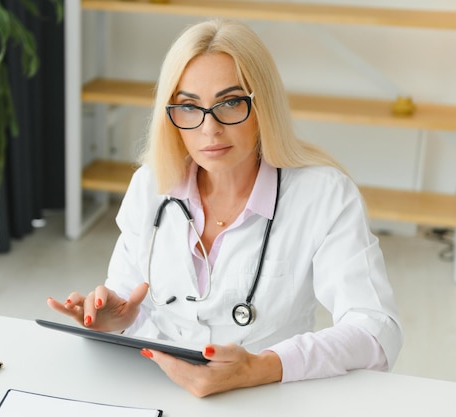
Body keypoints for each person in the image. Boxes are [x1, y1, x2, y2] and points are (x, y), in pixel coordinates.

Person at [47, 19, 402, 397]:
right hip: (156, 391)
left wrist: (264, 367)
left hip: (268, 395)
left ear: (261, 102)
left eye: (230, 102)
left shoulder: (323, 194)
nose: (209, 129)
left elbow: (376, 331)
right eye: (188, 106)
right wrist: (116, 319)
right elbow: (129, 299)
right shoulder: (150, 186)